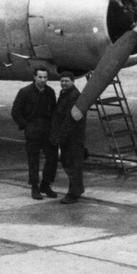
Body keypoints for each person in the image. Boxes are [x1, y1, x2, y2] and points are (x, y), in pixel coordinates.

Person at [10, 68, 59, 200]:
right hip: (33, 131)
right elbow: (16, 112)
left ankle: (46, 184)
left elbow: (53, 111)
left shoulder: (50, 92)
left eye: (45, 77)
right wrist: (26, 126)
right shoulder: (25, 92)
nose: (43, 80)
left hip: (47, 130)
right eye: (40, 77)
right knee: (33, 161)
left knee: (52, 158)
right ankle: (35, 188)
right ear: (34, 77)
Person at [48, 72, 86, 203]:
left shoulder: (73, 96)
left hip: (72, 139)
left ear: (73, 81)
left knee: (72, 165)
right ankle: (76, 190)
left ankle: (74, 193)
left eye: (66, 81)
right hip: (68, 138)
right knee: (69, 164)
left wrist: (60, 137)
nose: (64, 83)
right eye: (62, 81)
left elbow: (70, 120)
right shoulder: (65, 94)